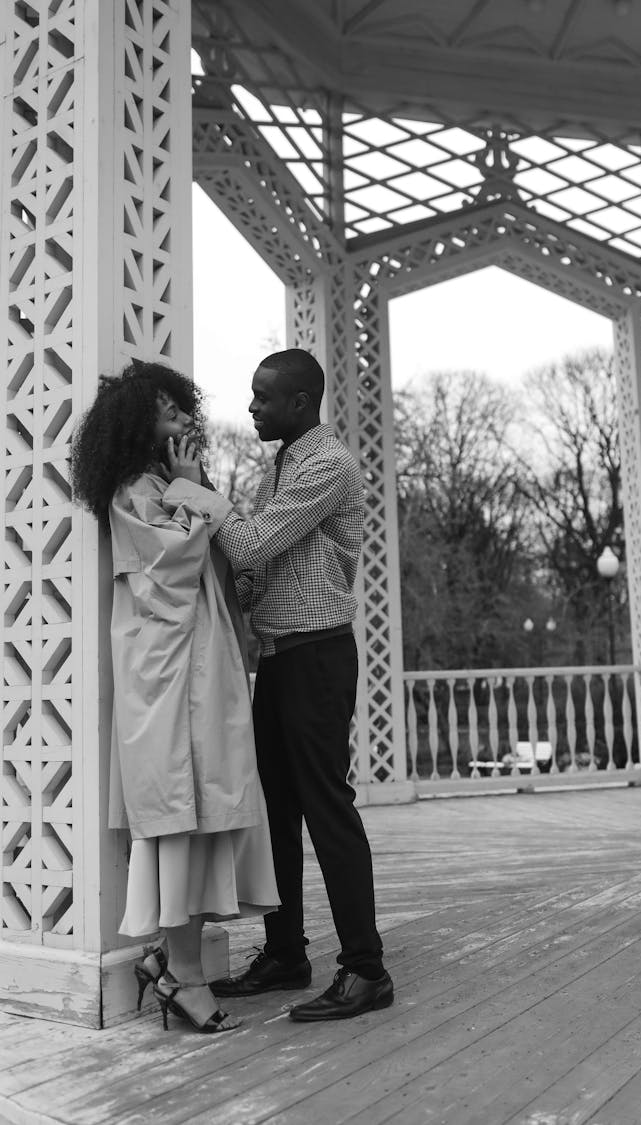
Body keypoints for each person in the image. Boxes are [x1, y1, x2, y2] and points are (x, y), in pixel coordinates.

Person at [162, 347, 393, 1021]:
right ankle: (286, 952)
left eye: (263, 396)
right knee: (277, 813)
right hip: (282, 660)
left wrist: (196, 488)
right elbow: (259, 567)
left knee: (328, 808)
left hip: (319, 658)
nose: (253, 405)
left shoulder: (328, 463)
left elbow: (252, 543)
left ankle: (366, 968)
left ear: (299, 401)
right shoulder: (285, 464)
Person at [70, 360, 279, 1034]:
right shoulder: (135, 488)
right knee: (180, 824)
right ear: (138, 420)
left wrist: (194, 487)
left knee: (202, 819)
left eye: (183, 405)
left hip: (198, 673)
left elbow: (226, 560)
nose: (184, 416)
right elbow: (168, 572)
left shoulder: (172, 483)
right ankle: (182, 976)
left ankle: (172, 963)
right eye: (168, 408)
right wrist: (191, 492)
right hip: (165, 679)